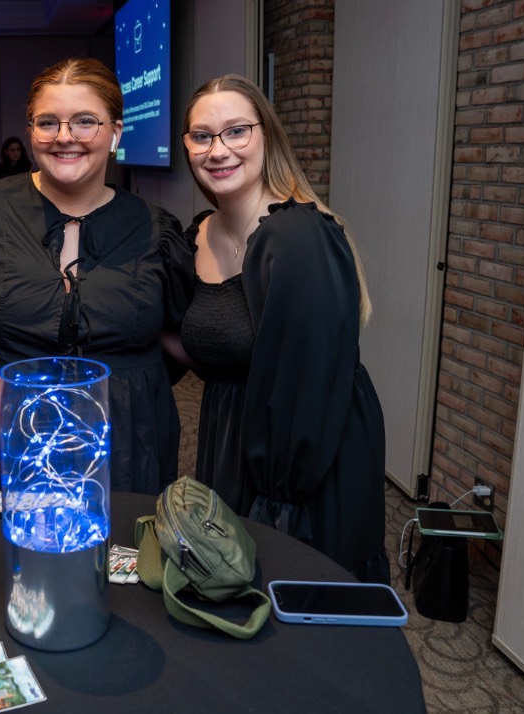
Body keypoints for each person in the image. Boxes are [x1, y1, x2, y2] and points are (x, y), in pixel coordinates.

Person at [0, 57, 194, 501]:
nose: (65, 137)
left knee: (112, 564)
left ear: (117, 133)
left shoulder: (155, 230)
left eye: (85, 121)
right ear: (30, 131)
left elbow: (179, 338)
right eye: (47, 122)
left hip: (121, 449)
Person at [174, 74, 389, 584]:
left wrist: (276, 510)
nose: (217, 150)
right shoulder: (198, 232)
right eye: (201, 136)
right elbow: (204, 338)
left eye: (236, 131)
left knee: (292, 597)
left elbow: (307, 390)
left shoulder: (297, 235)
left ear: (266, 136)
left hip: (301, 460)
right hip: (233, 435)